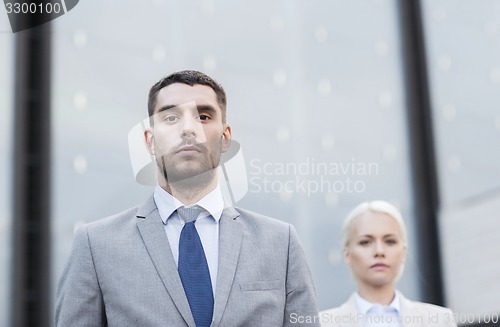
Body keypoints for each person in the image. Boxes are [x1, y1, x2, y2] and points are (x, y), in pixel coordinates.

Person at [55, 70, 320, 327]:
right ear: (150, 140)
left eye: (203, 117)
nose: (188, 129)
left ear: (226, 137)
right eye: (171, 118)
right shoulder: (96, 245)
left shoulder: (280, 244)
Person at [320, 201, 457, 327]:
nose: (379, 251)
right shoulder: (322, 324)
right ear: (347, 255)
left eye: (390, 241)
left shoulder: (439, 320)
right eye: (365, 242)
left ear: (403, 252)